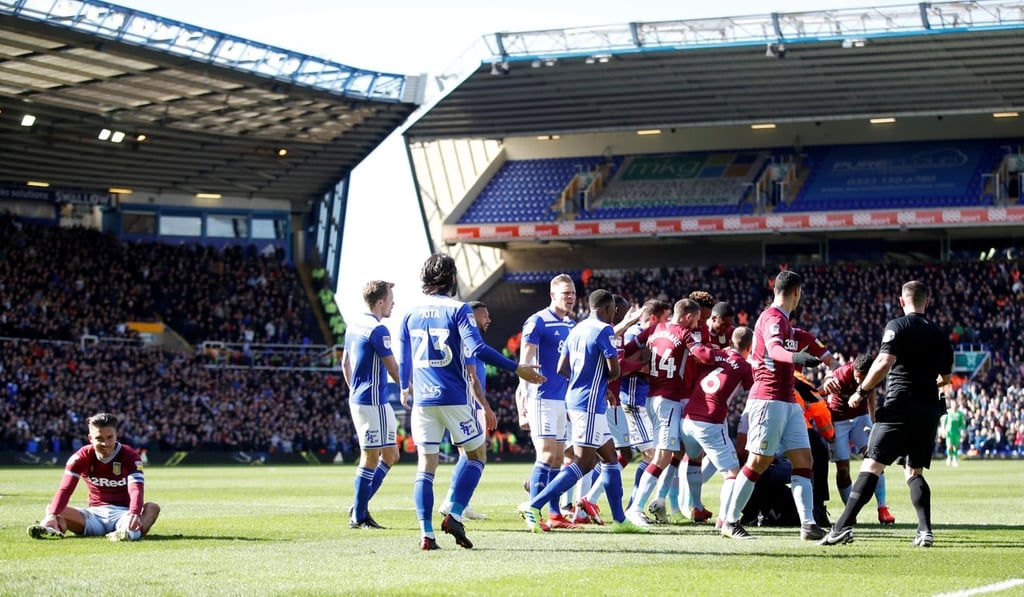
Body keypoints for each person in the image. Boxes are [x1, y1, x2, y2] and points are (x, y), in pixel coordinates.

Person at [399, 253, 544, 551]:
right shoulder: (459, 310)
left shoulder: (408, 313)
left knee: (425, 468)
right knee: (476, 455)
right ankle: (454, 512)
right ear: (451, 278)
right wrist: (516, 367)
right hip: (454, 397)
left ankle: (426, 534)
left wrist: (404, 388)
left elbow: (404, 363)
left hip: (423, 401)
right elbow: (476, 349)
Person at [821, 280, 954, 548]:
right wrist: (926, 384)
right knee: (913, 471)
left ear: (902, 301)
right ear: (926, 302)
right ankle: (925, 531)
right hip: (928, 408)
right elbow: (946, 378)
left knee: (872, 464)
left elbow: (884, 362)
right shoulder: (940, 334)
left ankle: (840, 527)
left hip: (899, 406)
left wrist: (862, 389)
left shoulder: (897, 326)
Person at [518, 289, 647, 534]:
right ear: (609, 309)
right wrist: (597, 382)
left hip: (581, 401)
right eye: (614, 312)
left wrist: (583, 380)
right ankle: (534, 505)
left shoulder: (575, 329)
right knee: (584, 463)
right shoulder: (604, 330)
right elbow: (615, 370)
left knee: (611, 458)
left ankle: (620, 520)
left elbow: (561, 367)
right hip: (588, 404)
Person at [719, 270, 825, 541]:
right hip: (768, 399)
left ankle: (808, 524)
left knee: (805, 460)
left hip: (787, 400)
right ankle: (730, 521)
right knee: (759, 461)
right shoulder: (772, 318)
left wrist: (833, 364)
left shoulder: (787, 323)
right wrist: (797, 356)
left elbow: (807, 340)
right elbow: (777, 351)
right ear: (796, 293)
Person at [27, 412, 161, 541]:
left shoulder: (130, 456)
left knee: (152, 508)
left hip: (124, 514)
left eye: (109, 437)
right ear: (90, 438)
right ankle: (52, 530)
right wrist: (52, 515)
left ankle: (127, 533)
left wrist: (134, 512)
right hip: (93, 516)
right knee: (52, 509)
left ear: (116, 436)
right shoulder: (81, 457)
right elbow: (65, 489)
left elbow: (136, 489)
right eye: (99, 439)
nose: (105, 444)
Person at [516, 273, 578, 529]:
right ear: (553, 295)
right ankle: (533, 513)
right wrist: (523, 404)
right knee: (547, 454)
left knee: (558, 458)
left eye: (573, 293)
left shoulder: (572, 325)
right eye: (565, 293)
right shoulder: (537, 322)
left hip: (561, 399)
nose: (571, 298)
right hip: (540, 397)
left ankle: (554, 514)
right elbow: (523, 364)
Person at [680, 326, 754, 530]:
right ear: (749, 346)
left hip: (687, 420)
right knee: (732, 473)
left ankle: (695, 506)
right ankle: (723, 520)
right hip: (710, 421)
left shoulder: (716, 354)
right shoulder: (744, 366)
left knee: (694, 459)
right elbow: (752, 392)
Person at [342, 280, 401, 530]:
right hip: (371, 402)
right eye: (390, 299)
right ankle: (359, 515)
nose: (393, 303)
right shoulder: (379, 330)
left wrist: (354, 390)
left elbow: (345, 364)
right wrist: (412, 390)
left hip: (373, 400)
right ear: (380, 302)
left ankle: (359, 504)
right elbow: (393, 368)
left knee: (391, 454)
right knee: (369, 456)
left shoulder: (353, 326)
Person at [821, 353, 896, 524]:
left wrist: (872, 418)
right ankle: (850, 512)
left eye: (864, 379)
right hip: (838, 421)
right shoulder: (842, 374)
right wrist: (826, 381)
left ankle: (882, 508)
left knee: (875, 457)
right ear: (854, 369)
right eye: (858, 377)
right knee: (843, 469)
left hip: (861, 418)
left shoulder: (874, 374)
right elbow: (821, 391)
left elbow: (871, 393)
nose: (860, 383)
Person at [439, 300, 496, 520]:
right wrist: (485, 406)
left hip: (469, 404)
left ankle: (462, 504)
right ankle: (452, 502)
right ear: (472, 317)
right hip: (470, 405)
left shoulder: (472, 342)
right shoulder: (468, 342)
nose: (488, 320)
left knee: (467, 454)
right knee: (473, 454)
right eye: (484, 315)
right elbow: (472, 379)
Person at [941, 398, 967, 467]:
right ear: (951, 405)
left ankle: (955, 460)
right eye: (953, 404)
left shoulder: (960, 414)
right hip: (949, 432)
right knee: (949, 446)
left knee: (955, 447)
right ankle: (949, 457)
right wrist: (943, 430)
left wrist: (963, 432)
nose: (954, 406)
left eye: (955, 404)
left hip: (956, 432)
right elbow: (944, 422)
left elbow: (962, 424)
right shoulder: (948, 412)